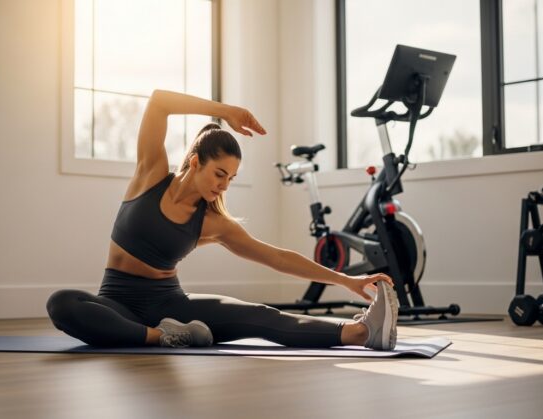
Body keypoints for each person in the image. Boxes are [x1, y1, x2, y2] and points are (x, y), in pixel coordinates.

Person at [46, 90, 399, 350]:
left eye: (230, 178)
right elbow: (159, 103)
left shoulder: (212, 222)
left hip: (169, 305)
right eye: (219, 173)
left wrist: (346, 280)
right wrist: (226, 110)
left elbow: (276, 258)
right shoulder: (150, 175)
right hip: (116, 302)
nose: (223, 185)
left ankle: (363, 333)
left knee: (260, 316)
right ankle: (162, 337)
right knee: (62, 304)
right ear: (195, 161)